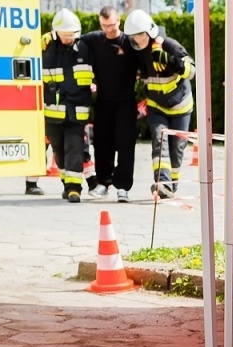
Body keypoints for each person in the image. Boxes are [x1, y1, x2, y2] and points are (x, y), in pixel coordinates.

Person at [123, 10, 194, 199]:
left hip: (181, 105)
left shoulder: (169, 45)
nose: (137, 41)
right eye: (134, 37)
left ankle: (172, 185)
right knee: (159, 139)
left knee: (177, 147)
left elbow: (192, 71)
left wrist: (171, 62)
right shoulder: (138, 53)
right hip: (156, 105)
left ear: (149, 32)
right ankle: (162, 182)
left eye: (140, 36)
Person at [82, 6, 138, 203]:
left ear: (119, 21)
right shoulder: (95, 40)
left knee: (125, 145)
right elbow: (71, 39)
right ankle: (103, 184)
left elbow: (150, 46)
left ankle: (123, 187)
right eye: (104, 26)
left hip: (126, 102)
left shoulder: (130, 42)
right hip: (104, 102)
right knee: (102, 144)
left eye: (112, 25)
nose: (109, 30)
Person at [41, 9, 94, 203]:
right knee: (58, 150)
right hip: (53, 111)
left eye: (70, 35)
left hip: (76, 111)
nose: (66, 39)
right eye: (63, 35)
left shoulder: (86, 49)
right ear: (55, 33)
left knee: (74, 147)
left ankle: (74, 188)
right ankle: (66, 183)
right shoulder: (45, 47)